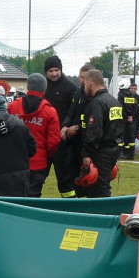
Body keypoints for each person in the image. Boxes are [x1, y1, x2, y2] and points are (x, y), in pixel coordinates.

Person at [8, 73, 61, 197]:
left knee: (15, 196)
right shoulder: (50, 111)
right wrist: (47, 156)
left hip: (15, 161)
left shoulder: (12, 107)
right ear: (44, 89)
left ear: (27, 87)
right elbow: (53, 141)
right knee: (33, 198)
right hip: (39, 162)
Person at [78, 69, 123, 198]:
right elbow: (121, 127)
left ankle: (102, 216)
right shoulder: (114, 101)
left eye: (85, 84)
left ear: (90, 84)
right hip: (113, 149)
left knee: (99, 189)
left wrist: (86, 153)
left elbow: (95, 131)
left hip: (100, 151)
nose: (84, 88)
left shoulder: (97, 103)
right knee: (103, 185)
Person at [42, 56, 78, 197]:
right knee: (37, 176)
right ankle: (30, 204)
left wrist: (67, 128)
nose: (54, 73)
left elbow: (74, 112)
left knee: (65, 178)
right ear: (46, 72)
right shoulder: (42, 87)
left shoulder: (71, 88)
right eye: (51, 70)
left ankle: (71, 206)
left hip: (63, 141)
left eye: (57, 70)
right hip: (43, 140)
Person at [60, 64, 94, 196]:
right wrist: (65, 125)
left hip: (87, 140)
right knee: (73, 172)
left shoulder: (96, 97)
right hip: (75, 142)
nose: (81, 80)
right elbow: (71, 112)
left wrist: (78, 128)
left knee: (89, 175)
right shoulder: (78, 92)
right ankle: (78, 198)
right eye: (80, 77)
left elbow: (93, 121)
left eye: (84, 78)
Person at [117, 80, 138, 159]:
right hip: (131, 119)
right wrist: (131, 116)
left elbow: (120, 107)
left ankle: (119, 154)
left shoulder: (121, 95)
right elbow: (136, 107)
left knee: (121, 136)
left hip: (123, 119)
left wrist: (126, 117)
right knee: (131, 137)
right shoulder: (133, 95)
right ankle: (130, 154)